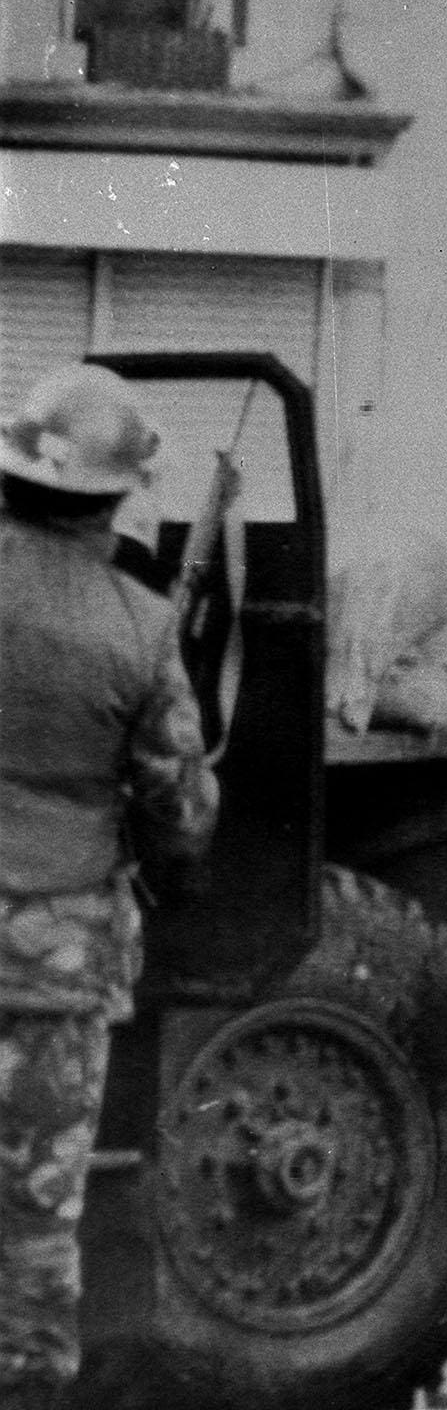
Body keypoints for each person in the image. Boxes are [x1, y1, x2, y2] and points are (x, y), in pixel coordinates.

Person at [1, 365, 220, 1408]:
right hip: (51, 978)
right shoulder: (137, 627)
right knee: (34, 1237)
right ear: (117, 493)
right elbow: (181, 824)